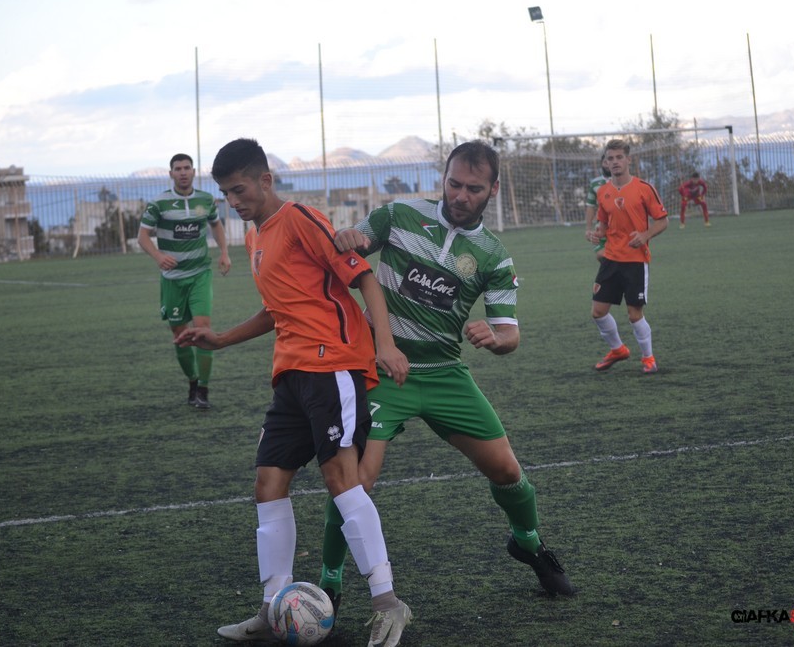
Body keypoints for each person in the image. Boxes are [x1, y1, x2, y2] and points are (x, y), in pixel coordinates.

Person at [318, 140, 576, 610]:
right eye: (454, 183)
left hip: (445, 375)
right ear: (443, 178)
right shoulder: (398, 215)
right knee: (355, 481)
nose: (460, 195)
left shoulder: (493, 255)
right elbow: (349, 247)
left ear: (492, 190)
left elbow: (510, 334)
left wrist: (496, 338)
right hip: (381, 372)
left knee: (507, 471)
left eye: (473, 189)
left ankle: (528, 542)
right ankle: (328, 583)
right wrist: (348, 236)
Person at [175, 138, 413, 647]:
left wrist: (386, 346)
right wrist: (222, 338)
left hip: (333, 366)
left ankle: (388, 603)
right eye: (225, 194)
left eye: (239, 190)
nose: (233, 201)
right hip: (290, 375)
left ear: (265, 180)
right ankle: (272, 607)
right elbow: (276, 309)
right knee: (268, 483)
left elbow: (365, 280)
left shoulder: (302, 219)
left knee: (341, 479)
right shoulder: (254, 237)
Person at [137, 153, 231, 409]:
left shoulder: (205, 200)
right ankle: (192, 380)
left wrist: (224, 252)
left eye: (187, 168)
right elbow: (143, 236)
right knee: (180, 336)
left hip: (200, 274)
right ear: (171, 174)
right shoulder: (159, 203)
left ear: (193, 172)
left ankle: (203, 390)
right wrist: (158, 256)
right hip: (172, 280)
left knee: (203, 329)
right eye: (178, 168)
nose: (183, 172)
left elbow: (216, 225)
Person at [589, 139, 669, 374]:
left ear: (628, 160)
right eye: (610, 158)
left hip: (635, 261)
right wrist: (596, 234)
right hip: (611, 259)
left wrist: (645, 235)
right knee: (598, 312)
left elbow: (663, 221)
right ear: (606, 162)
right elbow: (603, 225)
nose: (614, 162)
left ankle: (648, 358)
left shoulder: (644, 188)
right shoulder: (603, 192)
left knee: (634, 315)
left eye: (619, 157)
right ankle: (618, 350)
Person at [584, 153, 611, 261]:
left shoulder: (624, 181)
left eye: (610, 161)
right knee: (601, 256)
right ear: (601, 164)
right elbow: (590, 206)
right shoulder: (595, 183)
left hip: (621, 227)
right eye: (605, 162)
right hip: (602, 227)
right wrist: (588, 229)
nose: (608, 164)